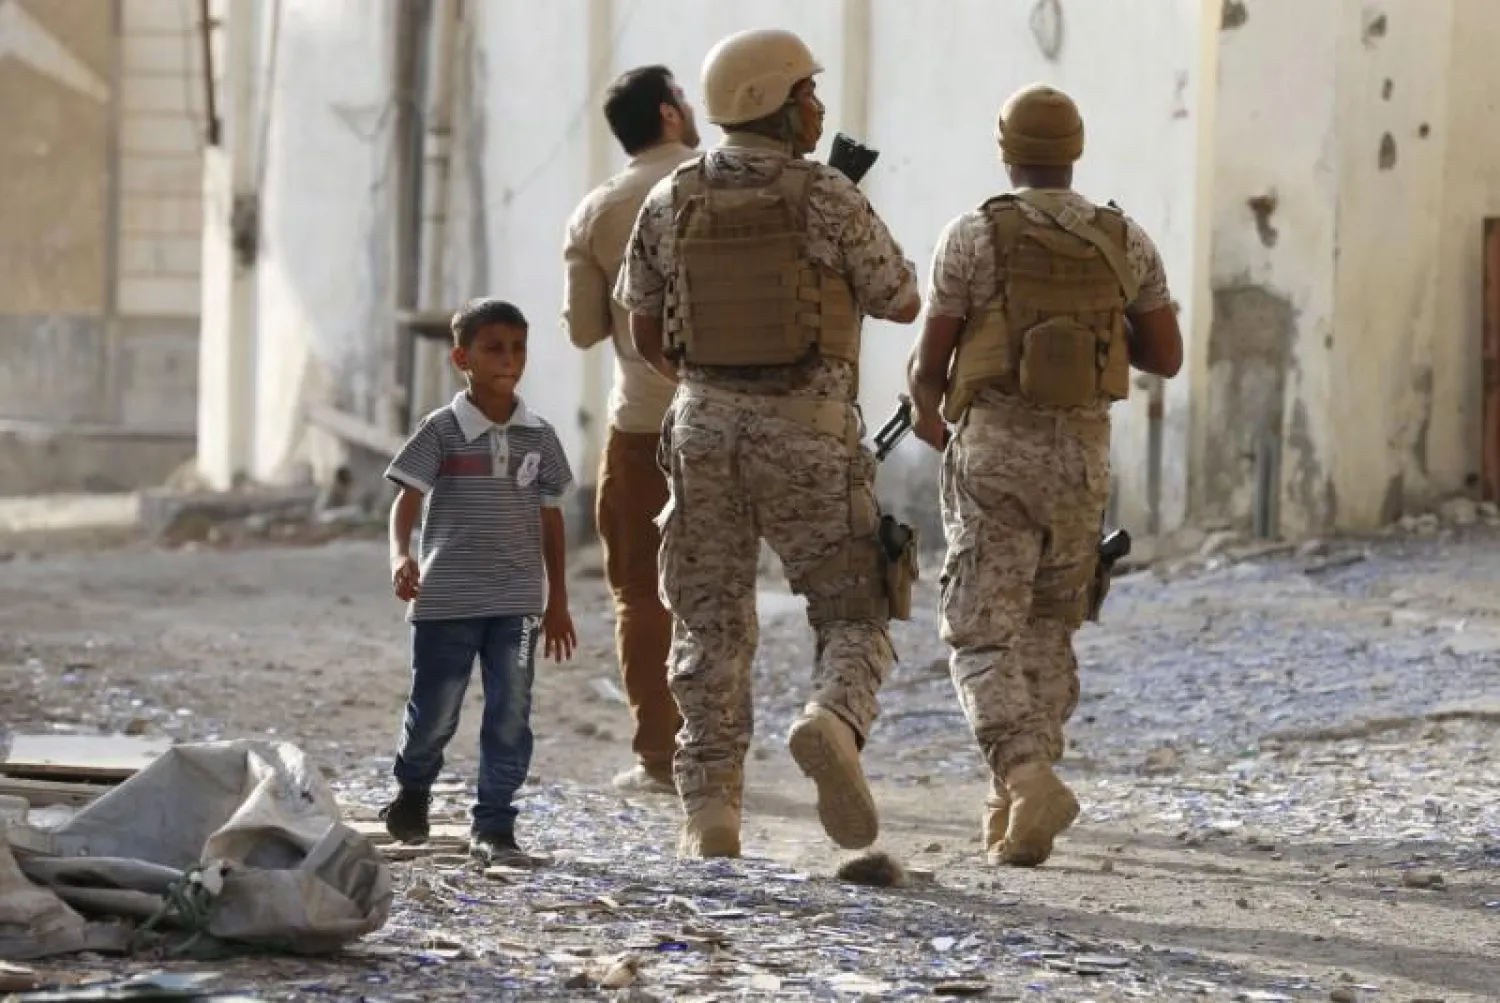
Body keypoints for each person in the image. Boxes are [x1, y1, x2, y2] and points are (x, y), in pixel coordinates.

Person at [614, 27, 922, 859]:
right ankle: (832, 718)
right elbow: (901, 299)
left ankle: (711, 807)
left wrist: (712, 383)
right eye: (806, 92)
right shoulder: (827, 195)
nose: (818, 105)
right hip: (808, 432)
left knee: (709, 621)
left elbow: (646, 330)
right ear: (773, 105)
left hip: (703, 428)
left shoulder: (670, 198)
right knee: (856, 605)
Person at [906, 83, 1183, 867]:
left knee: (976, 631)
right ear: (1076, 150)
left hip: (996, 452)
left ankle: (1026, 777)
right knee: (1048, 626)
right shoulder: (1124, 240)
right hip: (1082, 460)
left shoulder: (970, 237)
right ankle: (1014, 807)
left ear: (1006, 152)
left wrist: (932, 413)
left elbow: (933, 362)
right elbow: (1166, 355)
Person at [379, 297, 579, 866]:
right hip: (446, 598)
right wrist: (400, 555)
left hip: (516, 602)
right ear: (462, 357)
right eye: (494, 348)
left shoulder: (538, 436)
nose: (509, 359)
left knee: (511, 708)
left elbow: (551, 517)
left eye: (518, 348)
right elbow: (406, 499)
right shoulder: (441, 431)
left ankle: (494, 822)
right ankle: (412, 791)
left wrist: (557, 601)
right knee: (435, 709)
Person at [561, 65, 701, 796]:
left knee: (642, 593)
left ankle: (658, 752)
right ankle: (720, 752)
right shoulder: (727, 179)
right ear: (671, 115)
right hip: (729, 415)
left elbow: (585, 328)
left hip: (643, 421)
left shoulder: (597, 210)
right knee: (724, 590)